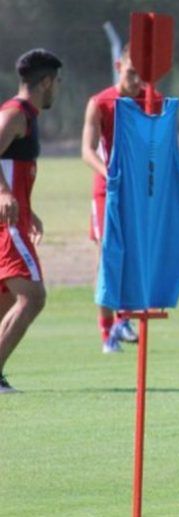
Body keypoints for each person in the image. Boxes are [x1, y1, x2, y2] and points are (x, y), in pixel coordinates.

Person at [81, 44, 158, 353]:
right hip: (108, 191)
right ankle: (107, 331)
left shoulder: (152, 100)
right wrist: (108, 172)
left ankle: (123, 319)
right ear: (118, 65)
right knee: (108, 256)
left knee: (134, 255)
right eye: (131, 72)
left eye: (142, 75)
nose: (137, 81)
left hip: (139, 193)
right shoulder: (101, 103)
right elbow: (86, 150)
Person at [0, 49, 62, 393]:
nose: (58, 89)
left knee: (7, 299)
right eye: (57, 82)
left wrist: (27, 207)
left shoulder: (27, 115)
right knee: (33, 297)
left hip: (15, 217)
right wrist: (5, 194)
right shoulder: (15, 113)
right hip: (6, 222)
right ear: (46, 82)